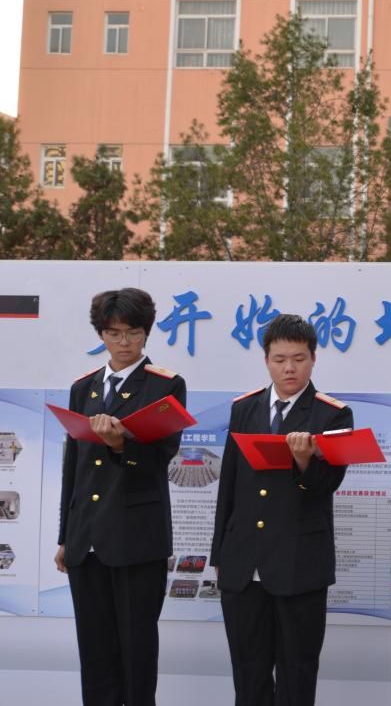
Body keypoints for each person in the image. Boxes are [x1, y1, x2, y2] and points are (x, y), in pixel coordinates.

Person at [210, 314, 353, 706]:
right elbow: (229, 484)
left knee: (297, 675)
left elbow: (328, 485)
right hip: (243, 564)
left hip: (299, 565)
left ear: (313, 359)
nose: (289, 368)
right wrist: (220, 553)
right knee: (248, 675)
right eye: (280, 359)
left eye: (299, 358)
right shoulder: (245, 408)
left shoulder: (333, 414)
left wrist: (305, 461)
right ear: (266, 360)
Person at [56, 287, 186, 706]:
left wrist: (119, 445)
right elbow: (74, 468)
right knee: (94, 652)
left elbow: (162, 459)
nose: (124, 342)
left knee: (136, 649)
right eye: (113, 333)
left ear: (146, 332)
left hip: (136, 538)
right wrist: (66, 536)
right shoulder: (84, 387)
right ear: (101, 335)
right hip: (86, 540)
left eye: (132, 332)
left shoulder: (166, 385)